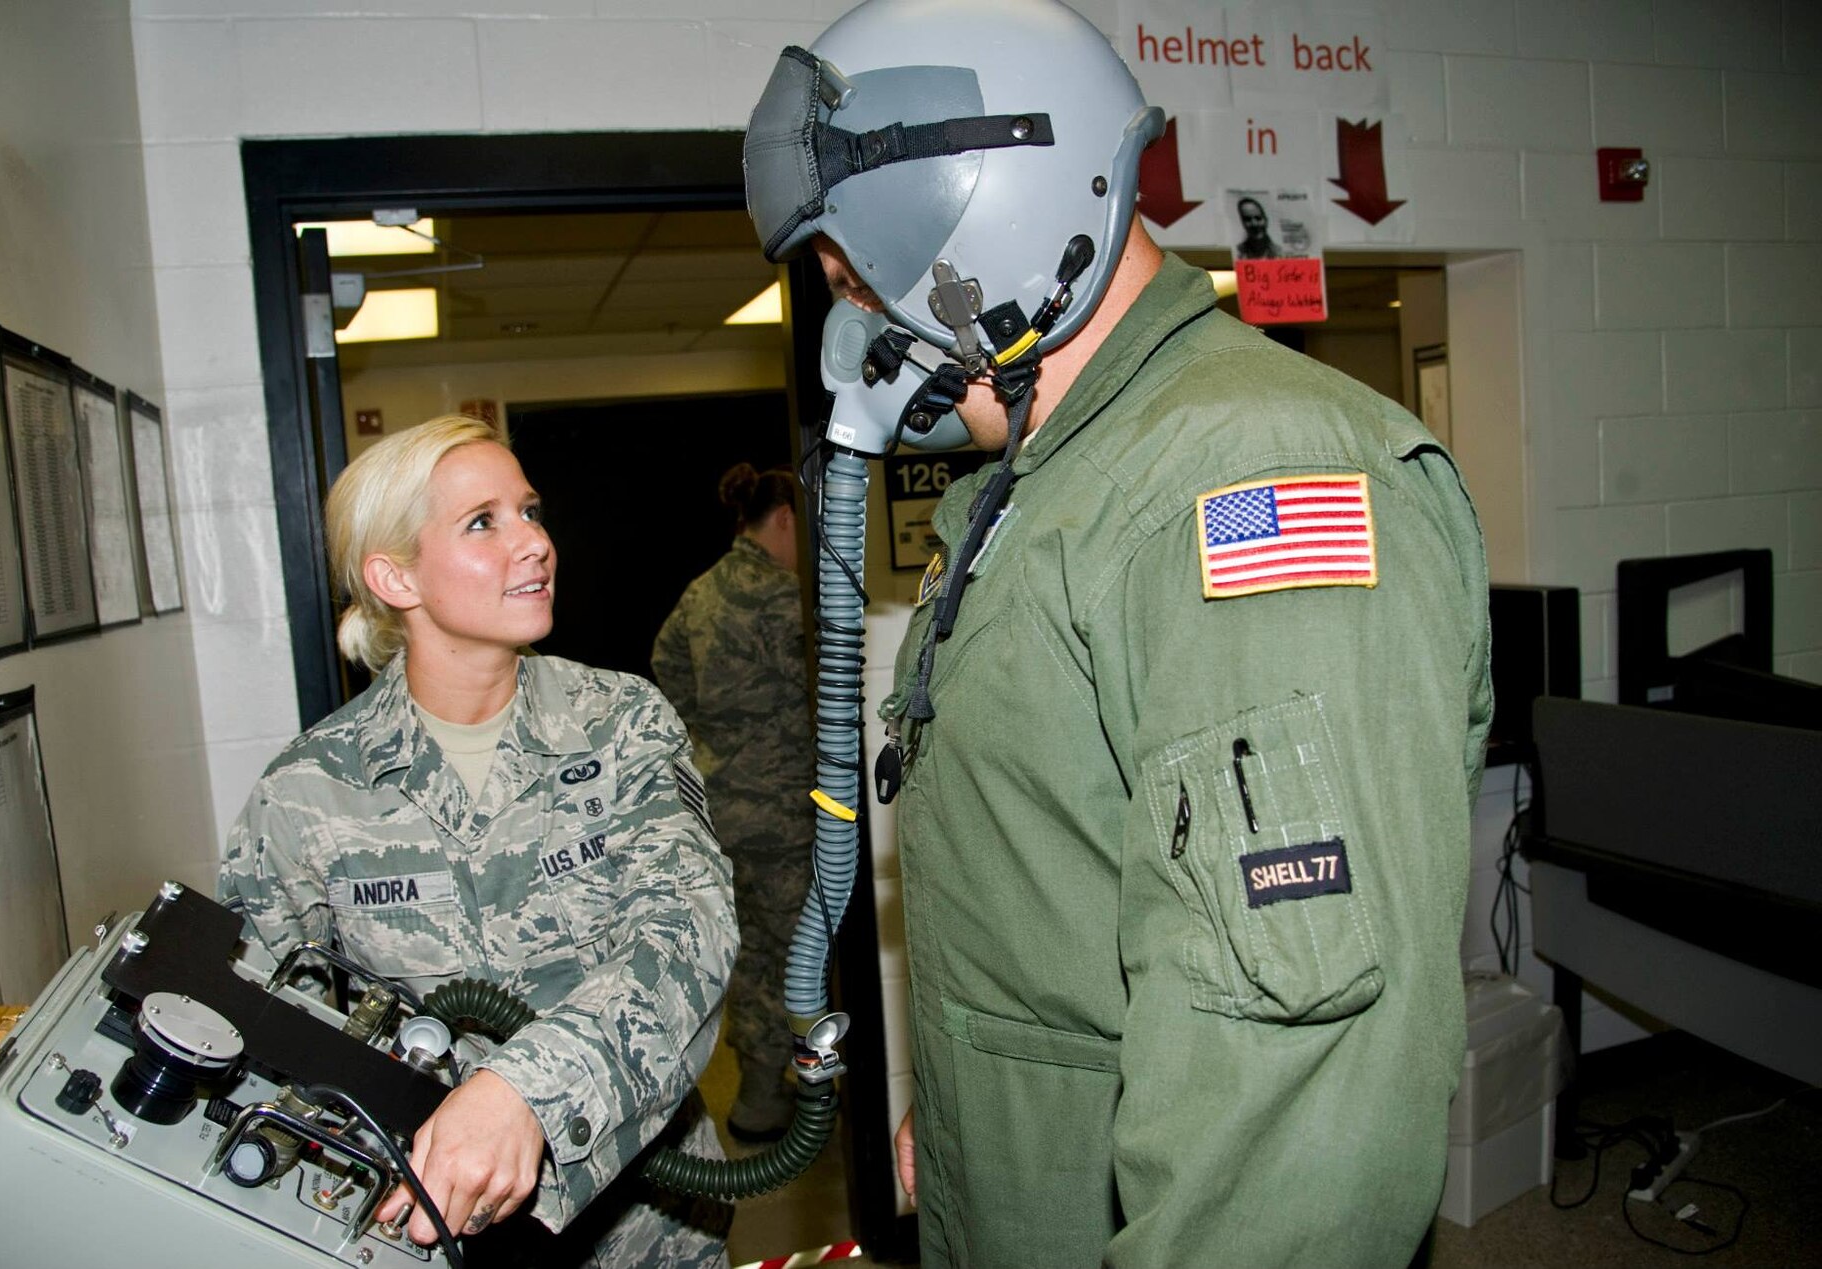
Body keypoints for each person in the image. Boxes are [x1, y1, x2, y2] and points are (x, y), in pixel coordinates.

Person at [742, 4, 1493, 1267]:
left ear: (987, 221)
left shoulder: (1250, 478)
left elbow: (1293, 1091)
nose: (851, 338)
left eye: (851, 282)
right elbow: (1057, 862)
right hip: (1035, 1177)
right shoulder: (1044, 481)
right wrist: (970, 1092)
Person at [217, 415, 736, 1267]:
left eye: (529, 511)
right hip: (427, 1237)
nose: (533, 542)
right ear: (396, 576)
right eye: (483, 522)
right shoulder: (306, 794)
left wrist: (523, 1093)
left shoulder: (622, 723)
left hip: (645, 1227)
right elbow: (266, 1024)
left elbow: (690, 931)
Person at [649, 463, 809, 1142]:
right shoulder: (786, 598)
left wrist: (712, 742)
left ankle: (760, 1082)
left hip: (721, 810)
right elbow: (827, 695)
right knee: (794, 952)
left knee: (749, 955)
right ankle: (776, 1091)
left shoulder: (700, 594)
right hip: (786, 810)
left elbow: (665, 672)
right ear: (783, 520)